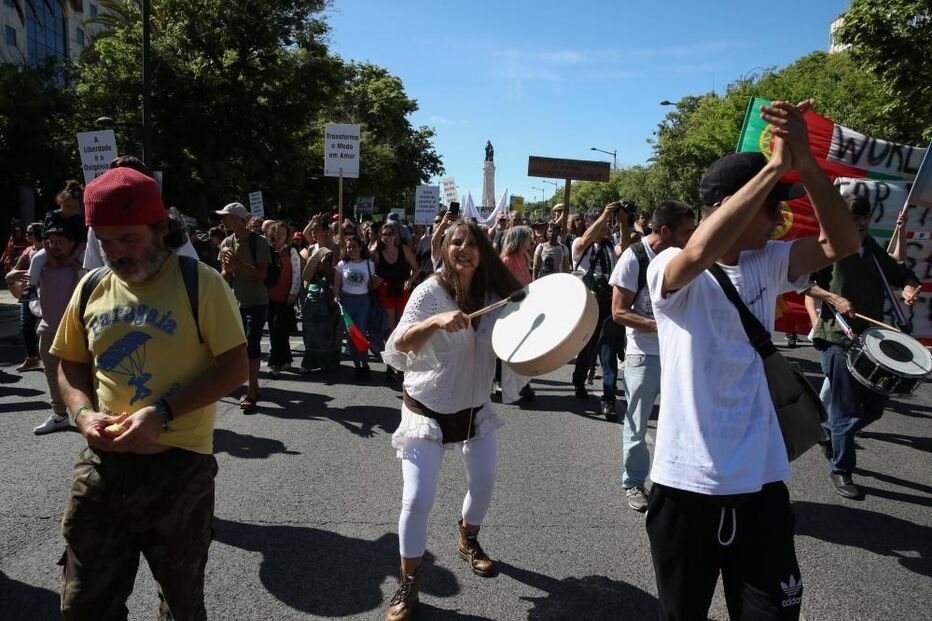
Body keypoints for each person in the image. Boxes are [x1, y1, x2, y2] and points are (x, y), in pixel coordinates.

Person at [644, 99, 860, 620]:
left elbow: (843, 241)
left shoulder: (771, 260)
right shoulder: (670, 264)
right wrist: (772, 167)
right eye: (772, 204)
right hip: (684, 488)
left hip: (762, 486)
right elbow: (697, 256)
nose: (782, 216)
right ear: (731, 207)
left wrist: (804, 163)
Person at [51, 166, 247, 619]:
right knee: (83, 604)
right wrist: (82, 415)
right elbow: (71, 363)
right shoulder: (91, 286)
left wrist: (162, 412)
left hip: (179, 470)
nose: (116, 253)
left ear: (160, 230)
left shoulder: (201, 283)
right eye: (105, 241)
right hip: (103, 466)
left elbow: (234, 367)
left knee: (180, 604)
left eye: (129, 239)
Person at [381, 220, 521, 621]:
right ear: (442, 246)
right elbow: (399, 344)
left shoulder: (497, 296)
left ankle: (468, 538)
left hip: (474, 410)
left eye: (472, 244)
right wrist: (435, 323)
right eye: (455, 241)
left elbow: (537, 322)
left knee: (484, 485)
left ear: (484, 253)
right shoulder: (429, 292)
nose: (463, 248)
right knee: (418, 498)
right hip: (426, 409)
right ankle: (409, 582)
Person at [804, 194, 920, 499]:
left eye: (865, 220)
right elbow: (804, 282)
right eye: (856, 220)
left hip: (872, 341)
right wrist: (833, 298)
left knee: (875, 409)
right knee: (845, 408)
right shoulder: (827, 247)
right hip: (837, 338)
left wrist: (908, 288)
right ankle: (841, 469)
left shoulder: (870, 249)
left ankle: (828, 432)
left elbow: (901, 274)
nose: (862, 225)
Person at [607, 200, 696, 512]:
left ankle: (679, 482)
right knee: (638, 423)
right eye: (687, 231)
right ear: (666, 231)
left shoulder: (684, 257)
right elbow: (618, 312)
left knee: (684, 419)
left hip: (680, 353)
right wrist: (661, 326)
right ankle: (633, 483)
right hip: (643, 355)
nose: (693, 236)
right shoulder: (634, 257)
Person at [27, 215, 84, 434]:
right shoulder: (40, 268)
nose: (53, 246)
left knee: (83, 376)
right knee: (52, 375)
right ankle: (59, 415)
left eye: (60, 241)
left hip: (77, 332)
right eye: (49, 241)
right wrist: (13, 278)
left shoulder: (79, 269)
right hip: (49, 329)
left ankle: (91, 415)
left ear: (72, 244)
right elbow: (25, 297)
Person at [571, 203, 625, 419]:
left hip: (609, 304)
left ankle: (609, 399)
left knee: (608, 352)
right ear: (590, 225)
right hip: (588, 305)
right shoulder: (579, 245)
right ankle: (579, 382)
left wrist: (622, 221)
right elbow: (585, 239)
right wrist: (604, 214)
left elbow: (627, 248)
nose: (606, 228)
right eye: (602, 225)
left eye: (608, 225)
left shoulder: (612, 247)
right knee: (587, 348)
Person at [217, 201, 270, 411]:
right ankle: (253, 387)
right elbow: (224, 275)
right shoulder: (226, 243)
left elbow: (262, 274)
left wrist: (238, 264)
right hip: (236, 301)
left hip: (257, 301)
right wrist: (228, 269)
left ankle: (251, 390)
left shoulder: (259, 241)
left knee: (252, 344)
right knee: (240, 346)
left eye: (227, 216)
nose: (223, 219)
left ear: (240, 219)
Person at [22, 180, 87, 300]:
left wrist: (72, 257)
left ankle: (85, 287)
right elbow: (44, 238)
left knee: (86, 261)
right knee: (36, 258)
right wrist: (50, 256)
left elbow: (83, 242)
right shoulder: (51, 216)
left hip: (74, 249)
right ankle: (30, 287)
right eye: (68, 206)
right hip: (52, 248)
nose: (71, 210)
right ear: (60, 202)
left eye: (74, 207)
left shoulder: (79, 219)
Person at [333, 234, 380, 379]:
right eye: (348, 247)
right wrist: (336, 296)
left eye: (354, 246)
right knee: (351, 334)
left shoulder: (369, 264)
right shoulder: (342, 265)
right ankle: (357, 366)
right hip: (347, 301)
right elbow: (336, 285)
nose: (351, 249)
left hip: (363, 301)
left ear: (360, 247)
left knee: (360, 333)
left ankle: (365, 364)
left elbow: (373, 284)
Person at [373, 221, 419, 355]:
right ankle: (390, 357)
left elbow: (416, 269)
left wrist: (410, 281)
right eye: (385, 234)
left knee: (402, 324)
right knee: (389, 327)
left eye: (391, 234)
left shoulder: (404, 250)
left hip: (402, 290)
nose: (388, 236)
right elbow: (372, 273)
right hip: (385, 291)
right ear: (380, 237)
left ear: (395, 236)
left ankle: (401, 353)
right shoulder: (377, 254)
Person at [5, 222, 44, 371]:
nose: (27, 236)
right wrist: (14, 276)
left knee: (44, 328)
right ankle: (32, 358)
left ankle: (50, 358)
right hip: (29, 291)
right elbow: (16, 269)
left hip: (45, 291)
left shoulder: (49, 250)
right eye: (27, 233)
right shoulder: (28, 251)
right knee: (26, 326)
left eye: (30, 233)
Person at [266, 220, 301, 377]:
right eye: (277, 232)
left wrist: (293, 293)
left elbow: (296, 274)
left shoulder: (291, 251)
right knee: (275, 330)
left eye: (282, 232)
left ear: (287, 235)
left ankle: (276, 364)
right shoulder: (268, 249)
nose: (279, 235)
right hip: (268, 296)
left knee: (278, 330)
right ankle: (286, 359)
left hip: (285, 297)